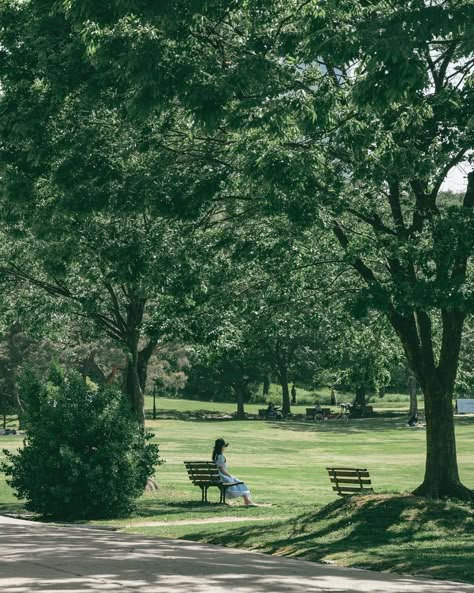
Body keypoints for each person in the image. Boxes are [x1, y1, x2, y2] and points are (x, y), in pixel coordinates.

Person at [212, 438, 256, 506]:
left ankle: (247, 500)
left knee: (238, 482)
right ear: (221, 447)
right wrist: (229, 476)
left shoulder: (215, 456)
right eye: (224, 446)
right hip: (222, 477)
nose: (224, 448)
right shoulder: (220, 456)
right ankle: (247, 501)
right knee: (239, 483)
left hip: (217, 477)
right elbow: (222, 470)